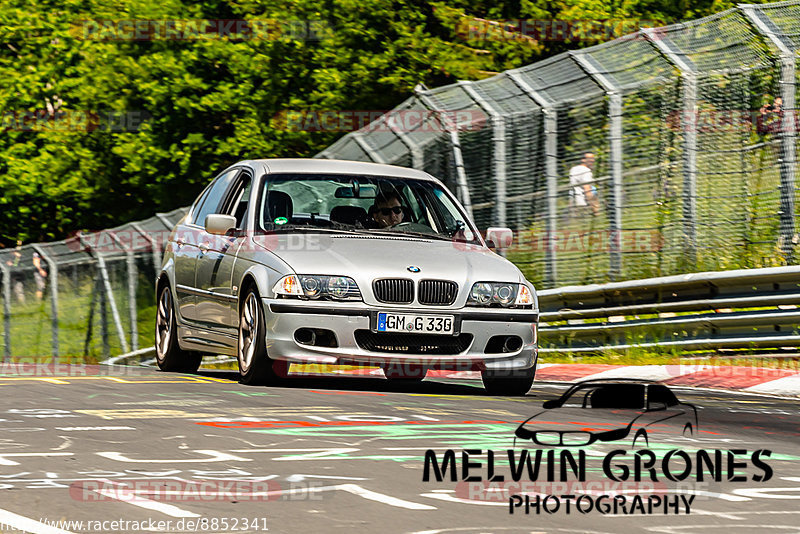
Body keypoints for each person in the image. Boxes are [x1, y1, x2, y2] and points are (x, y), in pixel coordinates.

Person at [568, 152, 599, 216]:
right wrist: (594, 208)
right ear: (583, 160)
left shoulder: (573, 169)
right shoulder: (586, 171)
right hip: (584, 204)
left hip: (573, 203)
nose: (592, 160)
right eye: (590, 158)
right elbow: (587, 189)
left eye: (593, 158)